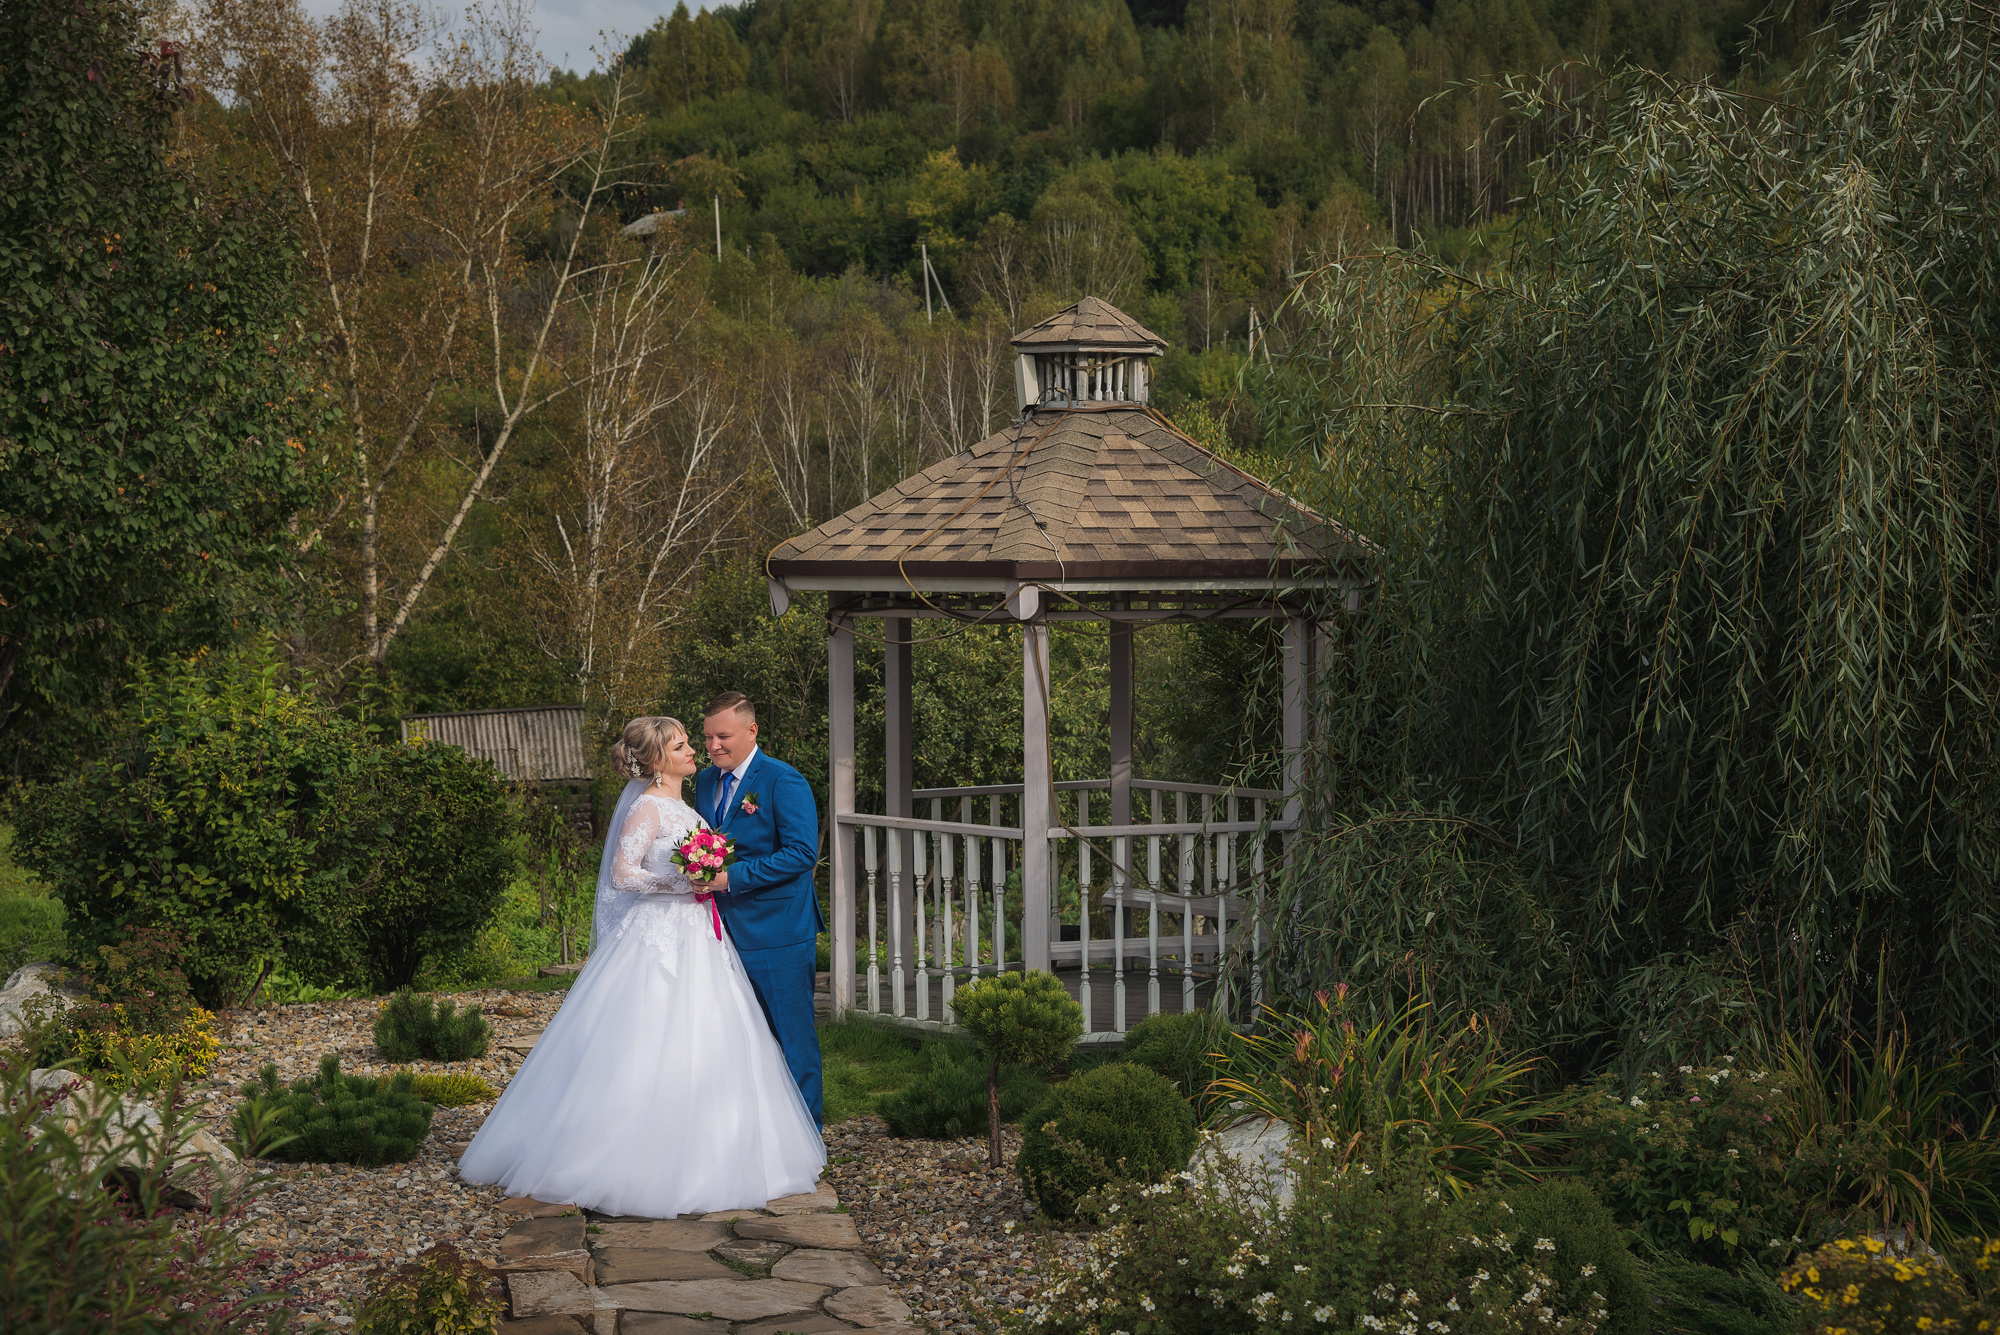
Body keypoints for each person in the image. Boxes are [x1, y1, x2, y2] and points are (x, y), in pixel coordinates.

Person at [457, 716, 825, 1217]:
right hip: (660, 934)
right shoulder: (648, 806)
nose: (695, 749)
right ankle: (625, 1157)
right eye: (682, 744)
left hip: (701, 935)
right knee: (647, 1037)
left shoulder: (687, 804)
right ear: (656, 760)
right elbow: (622, 875)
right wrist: (683, 883)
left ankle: (721, 1148)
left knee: (717, 1037)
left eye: (695, 741)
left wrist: (700, 880)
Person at [694, 692, 828, 1124]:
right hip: (717, 932)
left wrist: (731, 878)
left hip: (778, 932)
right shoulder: (704, 781)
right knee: (741, 1039)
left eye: (723, 736)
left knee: (792, 1039)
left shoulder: (783, 780)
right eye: (708, 737)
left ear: (752, 731)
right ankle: (759, 1134)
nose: (713, 745)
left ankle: (808, 1139)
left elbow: (802, 853)